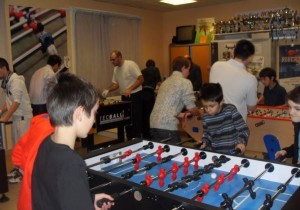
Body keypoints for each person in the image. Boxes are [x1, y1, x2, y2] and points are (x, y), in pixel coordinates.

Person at [32, 72, 113, 210]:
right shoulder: (72, 163)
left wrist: (88, 199)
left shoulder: (45, 144)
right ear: (79, 114)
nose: (94, 119)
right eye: (94, 112)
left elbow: (55, 194)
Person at [150, 56, 201, 144]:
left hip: (153, 124)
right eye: (188, 69)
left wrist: (184, 115)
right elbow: (191, 107)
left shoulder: (165, 83)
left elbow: (167, 107)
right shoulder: (185, 82)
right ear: (183, 68)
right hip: (168, 126)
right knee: (174, 154)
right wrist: (200, 115)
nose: (189, 72)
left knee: (161, 155)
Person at [12, 113, 54, 210]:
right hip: (39, 196)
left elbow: (17, 152)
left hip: (28, 192)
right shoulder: (53, 131)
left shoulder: (41, 123)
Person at [0, 57, 33, 183]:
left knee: (24, 147)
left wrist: (5, 118)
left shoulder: (16, 81)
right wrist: (1, 113)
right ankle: (18, 169)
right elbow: (8, 103)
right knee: (17, 146)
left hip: (24, 119)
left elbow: (16, 102)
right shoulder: (7, 81)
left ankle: (24, 173)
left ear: (4, 68)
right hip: (16, 118)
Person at [210, 39, 257, 122]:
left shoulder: (216, 65)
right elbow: (251, 107)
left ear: (233, 51)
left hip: (214, 122)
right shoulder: (250, 79)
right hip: (234, 127)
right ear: (250, 58)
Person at [102, 50, 144, 140]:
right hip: (125, 97)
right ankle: (129, 141)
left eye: (113, 60)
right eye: (111, 60)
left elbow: (141, 79)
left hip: (135, 95)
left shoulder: (130, 64)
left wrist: (130, 89)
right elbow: (116, 84)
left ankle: (137, 140)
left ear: (120, 57)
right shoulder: (116, 69)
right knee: (127, 121)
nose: (112, 62)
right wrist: (107, 90)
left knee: (135, 121)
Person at [198, 83, 249, 154]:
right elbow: (207, 134)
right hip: (215, 153)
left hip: (233, 153)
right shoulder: (206, 117)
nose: (208, 109)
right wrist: (204, 141)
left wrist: (240, 143)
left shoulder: (230, 110)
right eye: (205, 106)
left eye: (212, 106)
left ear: (221, 102)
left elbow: (243, 129)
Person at [275, 86, 300, 166]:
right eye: (290, 107)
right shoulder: (297, 124)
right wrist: (286, 152)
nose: (291, 112)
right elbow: (298, 146)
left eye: (297, 109)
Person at [141, 59, 161, 139]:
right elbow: (159, 81)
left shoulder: (143, 70)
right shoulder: (155, 69)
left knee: (144, 114)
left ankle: (144, 133)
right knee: (150, 114)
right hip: (149, 92)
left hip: (142, 93)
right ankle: (149, 134)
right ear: (154, 65)